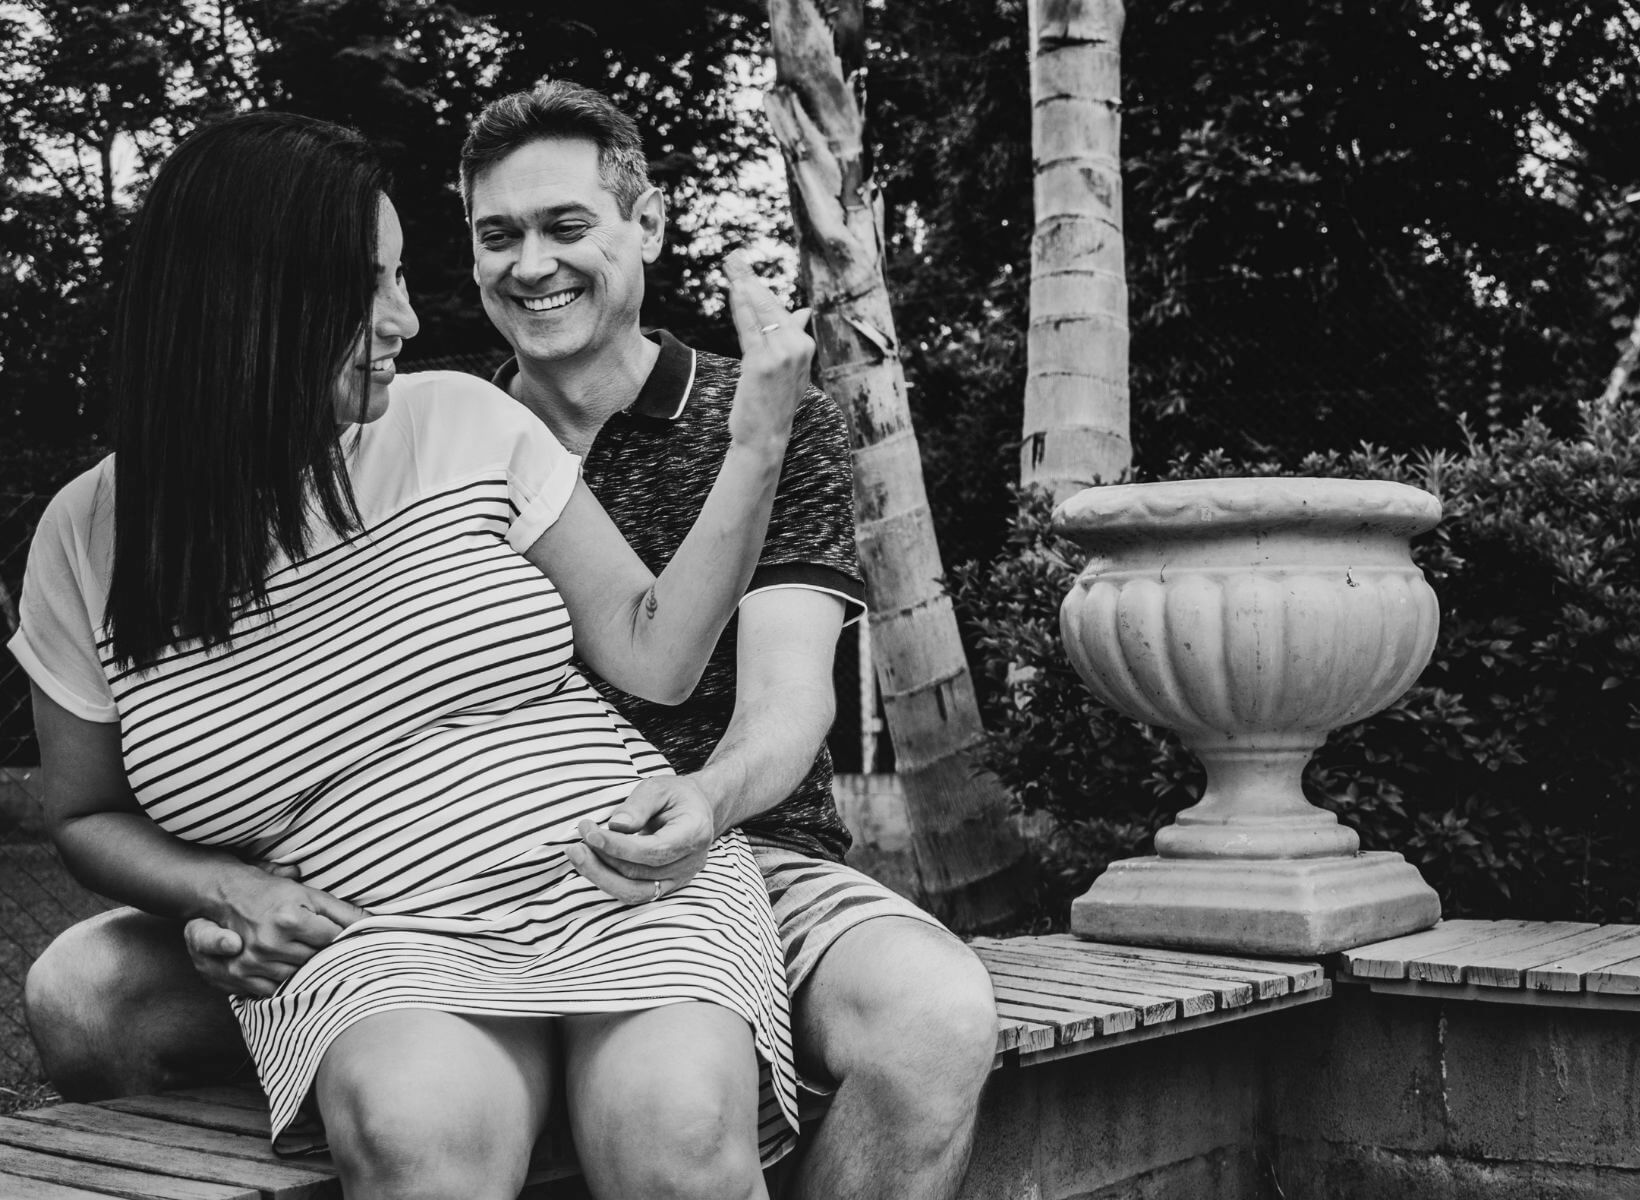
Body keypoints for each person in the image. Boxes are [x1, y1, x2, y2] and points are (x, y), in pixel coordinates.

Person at [26, 83, 1002, 1200]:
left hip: (655, 868)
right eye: (494, 237)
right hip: (386, 930)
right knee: (412, 1133)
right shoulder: (99, 530)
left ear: (649, 225)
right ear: (250, 304)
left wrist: (755, 444)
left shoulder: (475, 423)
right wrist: (219, 893)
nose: (408, 316)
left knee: (701, 1126)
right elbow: (86, 809)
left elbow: (736, 684)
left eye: (566, 226)